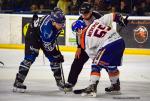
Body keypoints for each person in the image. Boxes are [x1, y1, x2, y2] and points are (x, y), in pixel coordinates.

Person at [71, 13, 128, 97]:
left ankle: (92, 87)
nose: (77, 34)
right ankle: (115, 85)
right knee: (111, 65)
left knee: (95, 65)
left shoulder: (84, 40)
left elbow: (95, 57)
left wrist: (100, 63)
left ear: (79, 30)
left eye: (76, 31)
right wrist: (120, 19)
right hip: (120, 41)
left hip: (109, 44)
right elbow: (112, 15)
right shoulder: (96, 22)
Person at [13, 7, 66, 92]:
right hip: (33, 36)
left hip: (42, 35)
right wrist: (57, 54)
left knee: (55, 60)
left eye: (63, 23)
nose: (62, 25)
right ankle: (18, 82)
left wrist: (56, 56)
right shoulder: (47, 31)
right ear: (53, 22)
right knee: (29, 58)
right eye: (60, 24)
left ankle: (59, 82)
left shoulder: (56, 21)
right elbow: (49, 48)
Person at [65, 2, 102, 91]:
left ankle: (115, 83)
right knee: (77, 62)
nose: (84, 16)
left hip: (98, 45)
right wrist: (78, 47)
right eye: (82, 13)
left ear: (91, 11)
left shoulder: (98, 17)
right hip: (85, 45)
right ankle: (71, 82)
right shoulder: (80, 18)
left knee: (106, 63)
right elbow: (78, 35)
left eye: (86, 13)